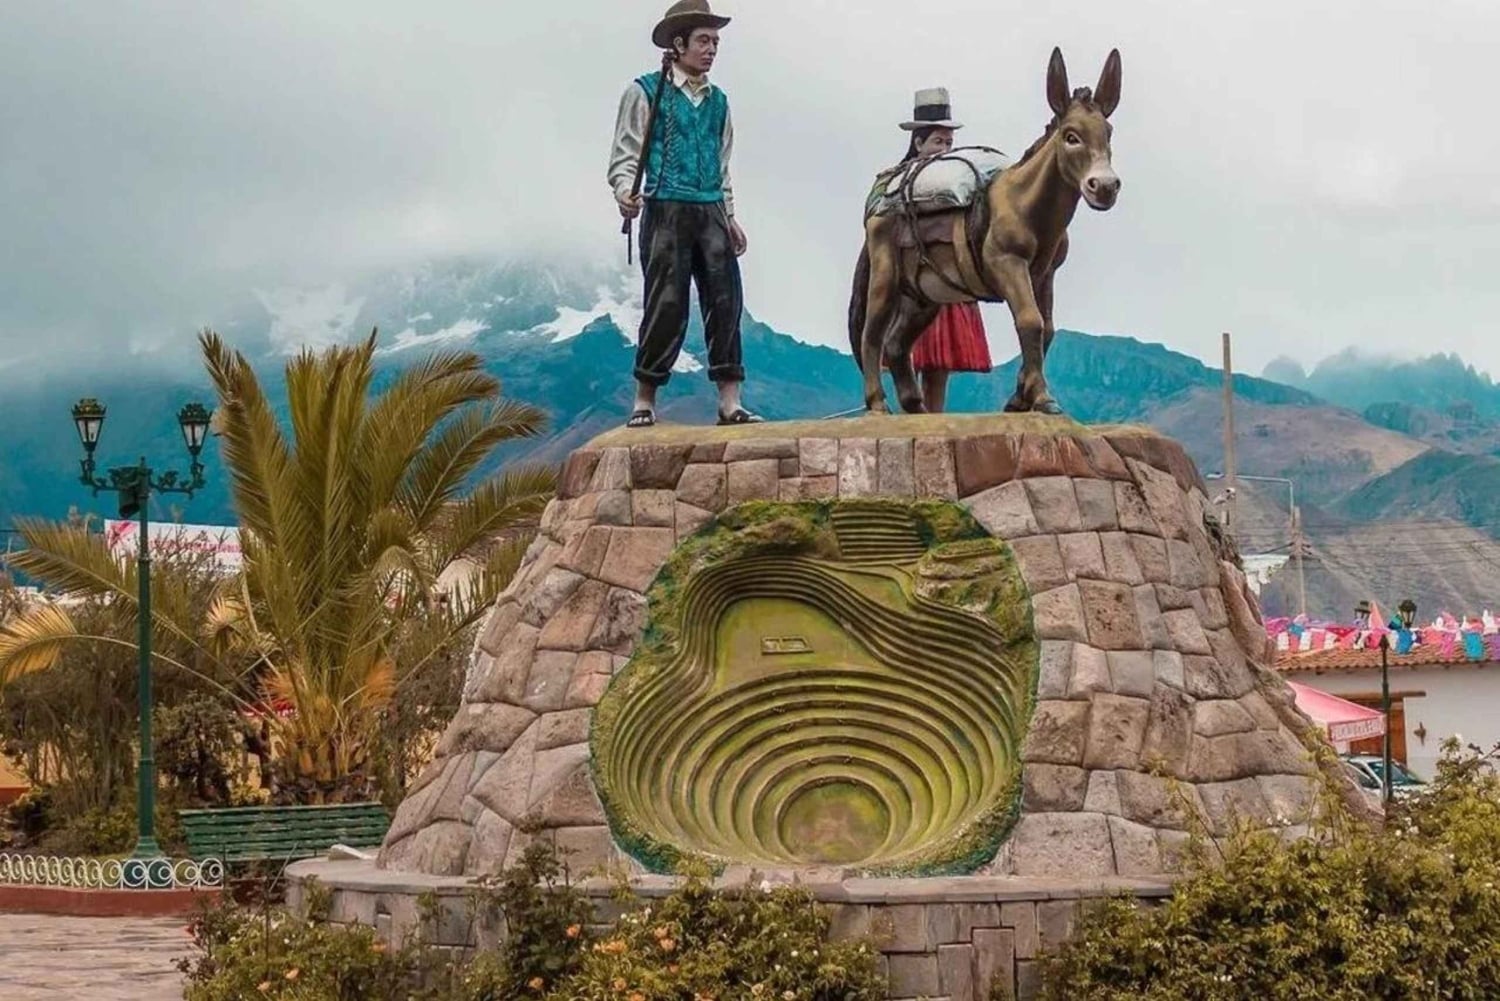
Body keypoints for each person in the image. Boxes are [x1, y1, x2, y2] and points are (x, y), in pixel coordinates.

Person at [607, 0, 761, 428]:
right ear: (678, 44)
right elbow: (626, 152)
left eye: (715, 41)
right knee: (667, 303)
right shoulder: (644, 91)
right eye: (703, 40)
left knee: (726, 300)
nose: (711, 49)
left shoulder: (719, 102)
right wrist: (625, 191)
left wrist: (729, 216)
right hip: (666, 207)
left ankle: (730, 402)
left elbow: (722, 160)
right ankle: (645, 398)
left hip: (710, 207)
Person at [880, 88, 993, 413]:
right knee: (910, 346)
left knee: (940, 363)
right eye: (937, 142)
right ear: (918, 143)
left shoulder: (961, 183)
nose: (944, 149)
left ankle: (936, 418)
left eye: (948, 143)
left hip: (951, 273)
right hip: (911, 277)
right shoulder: (896, 183)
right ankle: (911, 412)